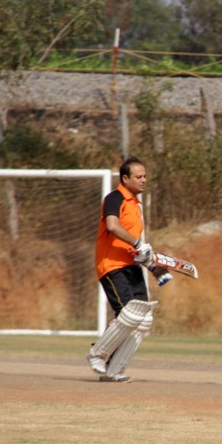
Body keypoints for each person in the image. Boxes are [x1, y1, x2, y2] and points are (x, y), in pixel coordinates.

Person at [86, 156, 159, 383]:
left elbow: (134, 241)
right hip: (112, 266)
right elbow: (112, 226)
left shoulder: (136, 205)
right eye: (138, 176)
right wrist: (139, 244)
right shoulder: (114, 198)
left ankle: (114, 369)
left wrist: (147, 256)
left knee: (143, 319)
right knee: (128, 315)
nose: (143, 180)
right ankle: (98, 353)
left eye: (145, 176)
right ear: (125, 178)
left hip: (131, 266)